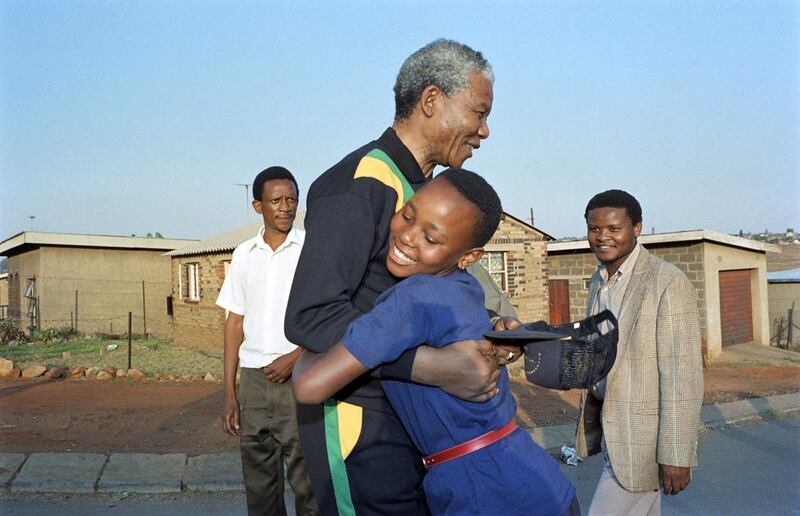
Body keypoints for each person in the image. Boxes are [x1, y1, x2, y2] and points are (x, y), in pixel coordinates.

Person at [285, 39, 518, 515]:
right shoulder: (361, 183)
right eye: (478, 112)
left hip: (411, 423)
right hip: (359, 431)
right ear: (432, 100)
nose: (485, 130)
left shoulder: (428, 192)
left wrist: (489, 331)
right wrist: (430, 366)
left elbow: (425, 301)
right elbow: (310, 316)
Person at [293, 169, 579, 516]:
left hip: (484, 494)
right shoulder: (464, 286)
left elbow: (308, 387)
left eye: (431, 238)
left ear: (470, 256)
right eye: (408, 215)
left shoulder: (409, 298)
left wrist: (311, 346)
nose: (408, 237)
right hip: (535, 482)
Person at [575, 189, 704, 516]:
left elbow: (681, 376)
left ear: (637, 228)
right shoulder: (598, 280)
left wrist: (677, 454)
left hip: (643, 441)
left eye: (613, 228)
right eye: (594, 229)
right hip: (611, 434)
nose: (602, 237)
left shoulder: (666, 282)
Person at [217, 166, 318, 516]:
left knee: (308, 482)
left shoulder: (312, 249)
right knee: (259, 485)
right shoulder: (244, 254)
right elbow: (234, 323)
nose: (285, 207)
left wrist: (296, 355)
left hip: (300, 376)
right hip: (254, 382)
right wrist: (230, 393)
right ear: (258, 205)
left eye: (292, 199)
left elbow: (329, 315)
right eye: (276, 200)